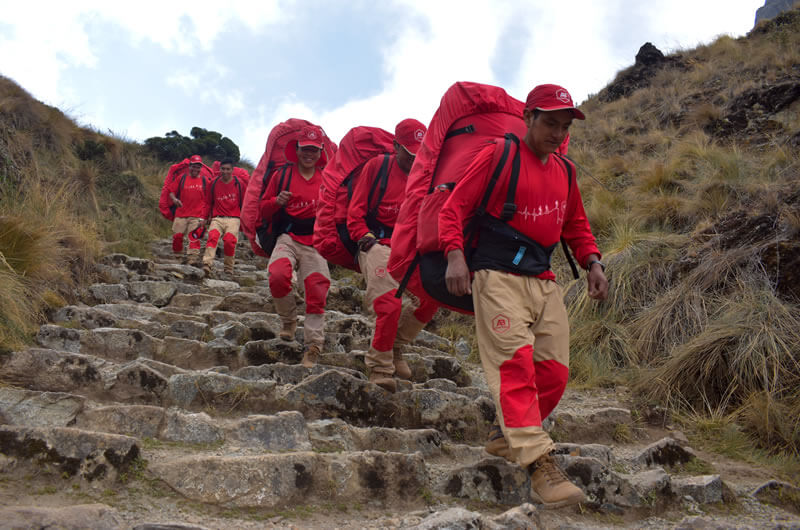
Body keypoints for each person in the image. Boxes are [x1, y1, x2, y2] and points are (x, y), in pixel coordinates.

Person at [440, 84, 608, 508]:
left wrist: (593, 263)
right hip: (495, 276)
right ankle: (540, 466)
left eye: (564, 126)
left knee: (553, 372)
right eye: (549, 122)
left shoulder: (566, 171)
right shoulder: (499, 155)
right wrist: (455, 257)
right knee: (515, 365)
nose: (556, 133)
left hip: (544, 279)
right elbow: (453, 209)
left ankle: (502, 434)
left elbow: (576, 225)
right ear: (529, 117)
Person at [346, 119, 438, 392]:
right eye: (409, 153)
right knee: (389, 302)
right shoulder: (378, 167)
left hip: (410, 247)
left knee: (431, 298)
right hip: (375, 243)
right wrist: (366, 238)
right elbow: (355, 213)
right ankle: (380, 365)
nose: (415, 159)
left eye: (419, 153)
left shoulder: (427, 174)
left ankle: (397, 346)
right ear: (396, 146)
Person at [262, 125, 331, 368]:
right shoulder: (281, 175)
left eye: (314, 150)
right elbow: (262, 208)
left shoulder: (327, 178)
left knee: (317, 288)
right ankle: (289, 321)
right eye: (305, 149)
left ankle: (314, 344)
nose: (309, 154)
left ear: (320, 151)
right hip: (288, 237)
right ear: (297, 149)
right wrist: (275, 201)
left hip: (316, 242)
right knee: (278, 275)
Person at [202, 158, 244, 277]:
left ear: (232, 170)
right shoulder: (214, 183)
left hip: (234, 218)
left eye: (228, 169)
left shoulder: (239, 183)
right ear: (219, 169)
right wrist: (204, 218)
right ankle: (207, 264)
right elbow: (208, 202)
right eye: (223, 169)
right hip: (217, 218)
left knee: (230, 241)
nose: (225, 171)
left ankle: (228, 267)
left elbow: (246, 202)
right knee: (212, 237)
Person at [168, 154, 208, 266]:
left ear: (201, 168)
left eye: (198, 167)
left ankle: (192, 260)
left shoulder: (205, 181)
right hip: (181, 214)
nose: (195, 169)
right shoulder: (182, 178)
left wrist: (206, 217)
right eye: (193, 166)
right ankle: (177, 258)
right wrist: (175, 199)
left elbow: (210, 198)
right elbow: (171, 191)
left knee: (194, 238)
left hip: (197, 215)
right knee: (177, 237)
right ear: (189, 166)